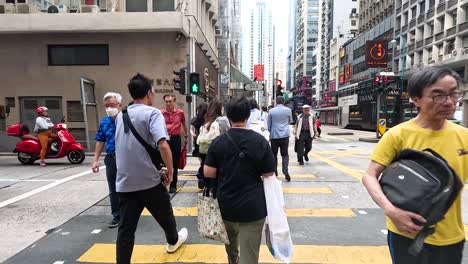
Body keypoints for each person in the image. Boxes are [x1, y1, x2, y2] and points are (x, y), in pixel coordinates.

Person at [362, 66, 468, 264]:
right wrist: (390, 210)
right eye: (438, 95)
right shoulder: (397, 135)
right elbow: (369, 175)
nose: (449, 102)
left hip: (452, 236)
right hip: (406, 234)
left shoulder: (464, 136)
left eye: (454, 94)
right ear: (416, 99)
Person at [115, 73, 187, 264]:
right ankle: (173, 240)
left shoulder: (121, 116)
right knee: (165, 213)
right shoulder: (152, 113)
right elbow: (162, 145)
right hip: (149, 180)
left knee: (126, 230)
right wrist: (170, 172)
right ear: (149, 93)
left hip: (125, 182)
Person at [204, 97, 276, 264]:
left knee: (230, 243)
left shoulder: (218, 142)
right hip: (253, 206)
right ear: (247, 117)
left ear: (228, 117)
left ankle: (233, 259)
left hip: (226, 204)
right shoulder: (260, 141)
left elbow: (208, 172)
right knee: (249, 255)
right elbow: (269, 173)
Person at [91, 92, 123, 228]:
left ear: (119, 106)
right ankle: (117, 215)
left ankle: (129, 214)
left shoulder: (126, 120)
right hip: (111, 159)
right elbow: (100, 141)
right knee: (113, 189)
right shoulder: (104, 122)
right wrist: (95, 160)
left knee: (129, 188)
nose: (109, 108)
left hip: (127, 159)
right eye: (106, 106)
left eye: (112, 105)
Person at [197, 99, 230, 183]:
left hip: (205, 150)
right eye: (222, 108)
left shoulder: (207, 119)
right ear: (219, 109)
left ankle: (207, 187)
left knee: (208, 170)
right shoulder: (223, 120)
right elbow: (228, 133)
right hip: (219, 150)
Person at [161, 94, 189, 193]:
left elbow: (184, 125)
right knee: (163, 163)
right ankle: (163, 183)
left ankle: (173, 184)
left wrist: (186, 137)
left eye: (170, 101)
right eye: (166, 102)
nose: (168, 103)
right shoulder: (161, 113)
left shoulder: (180, 113)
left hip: (176, 139)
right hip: (165, 139)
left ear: (174, 102)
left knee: (175, 163)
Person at [267, 96, 293, 181]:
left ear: (276, 102)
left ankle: (275, 171)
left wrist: (270, 134)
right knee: (285, 154)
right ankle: (285, 171)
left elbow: (269, 125)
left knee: (274, 154)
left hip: (274, 135)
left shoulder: (271, 111)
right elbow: (290, 121)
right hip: (285, 135)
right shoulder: (288, 110)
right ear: (284, 102)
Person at [190, 102, 208, 189]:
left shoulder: (195, 120)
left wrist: (195, 135)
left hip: (198, 144)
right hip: (207, 144)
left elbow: (192, 131)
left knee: (203, 161)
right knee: (206, 162)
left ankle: (201, 177)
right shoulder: (208, 120)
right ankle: (202, 177)